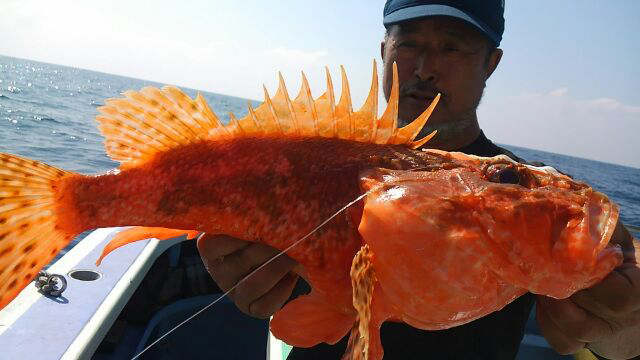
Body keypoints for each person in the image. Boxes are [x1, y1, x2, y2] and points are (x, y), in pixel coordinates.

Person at [197, 1, 640, 358]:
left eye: (453, 47)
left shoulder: (531, 193)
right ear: (383, 49)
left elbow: (610, 334)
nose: (426, 67)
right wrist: (244, 274)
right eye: (409, 43)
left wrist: (623, 326)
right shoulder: (307, 162)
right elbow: (288, 313)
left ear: (491, 63)